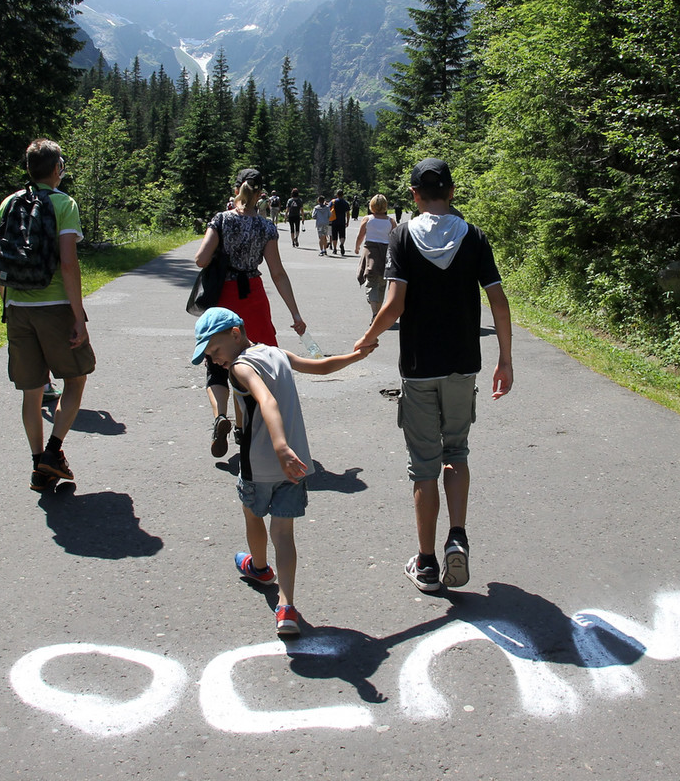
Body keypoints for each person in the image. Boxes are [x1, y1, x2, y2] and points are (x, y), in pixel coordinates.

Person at [354, 158, 513, 593]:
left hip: (420, 367)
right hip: (463, 364)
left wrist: (366, 339)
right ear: (453, 192)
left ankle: (425, 563)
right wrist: (505, 359)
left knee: (423, 465)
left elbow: (395, 304)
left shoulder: (404, 237)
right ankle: (457, 538)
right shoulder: (474, 236)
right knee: (456, 452)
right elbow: (498, 302)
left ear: (414, 196)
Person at [191, 307, 375, 636]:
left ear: (235, 334)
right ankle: (286, 606)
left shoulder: (240, 367)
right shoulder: (276, 352)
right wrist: (354, 357)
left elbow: (267, 401)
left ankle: (259, 568)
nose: (215, 360)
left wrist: (279, 446)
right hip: (295, 466)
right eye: (209, 355)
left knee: (252, 515)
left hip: (259, 465)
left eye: (215, 350)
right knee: (284, 534)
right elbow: (321, 367)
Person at [0, 138, 97, 492]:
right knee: (76, 377)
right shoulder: (64, 203)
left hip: (17, 309)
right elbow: (68, 263)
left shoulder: (9, 203)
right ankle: (53, 452)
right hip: (54, 307)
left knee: (32, 391)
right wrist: (78, 315)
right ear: (57, 169)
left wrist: (8, 303)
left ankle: (39, 464)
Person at [195, 168, 306, 458]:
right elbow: (278, 273)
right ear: (261, 195)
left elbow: (201, 259)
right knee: (257, 359)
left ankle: (221, 416)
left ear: (236, 191)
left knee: (218, 362)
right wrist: (295, 313)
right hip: (253, 295)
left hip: (224, 297)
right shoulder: (266, 227)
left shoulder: (220, 219)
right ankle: (247, 429)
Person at [355, 194, 396, 321]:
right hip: (385, 253)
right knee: (382, 283)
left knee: (372, 282)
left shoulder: (367, 219)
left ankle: (375, 313)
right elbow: (396, 238)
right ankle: (377, 314)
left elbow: (360, 235)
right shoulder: (390, 221)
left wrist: (357, 247)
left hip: (370, 252)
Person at [328, 189, 350, 256]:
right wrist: (347, 221)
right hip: (342, 221)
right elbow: (348, 213)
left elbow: (329, 210)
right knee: (342, 235)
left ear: (337, 195)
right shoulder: (345, 203)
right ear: (343, 195)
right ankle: (341, 244)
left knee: (334, 236)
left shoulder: (333, 202)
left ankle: (334, 249)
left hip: (334, 221)